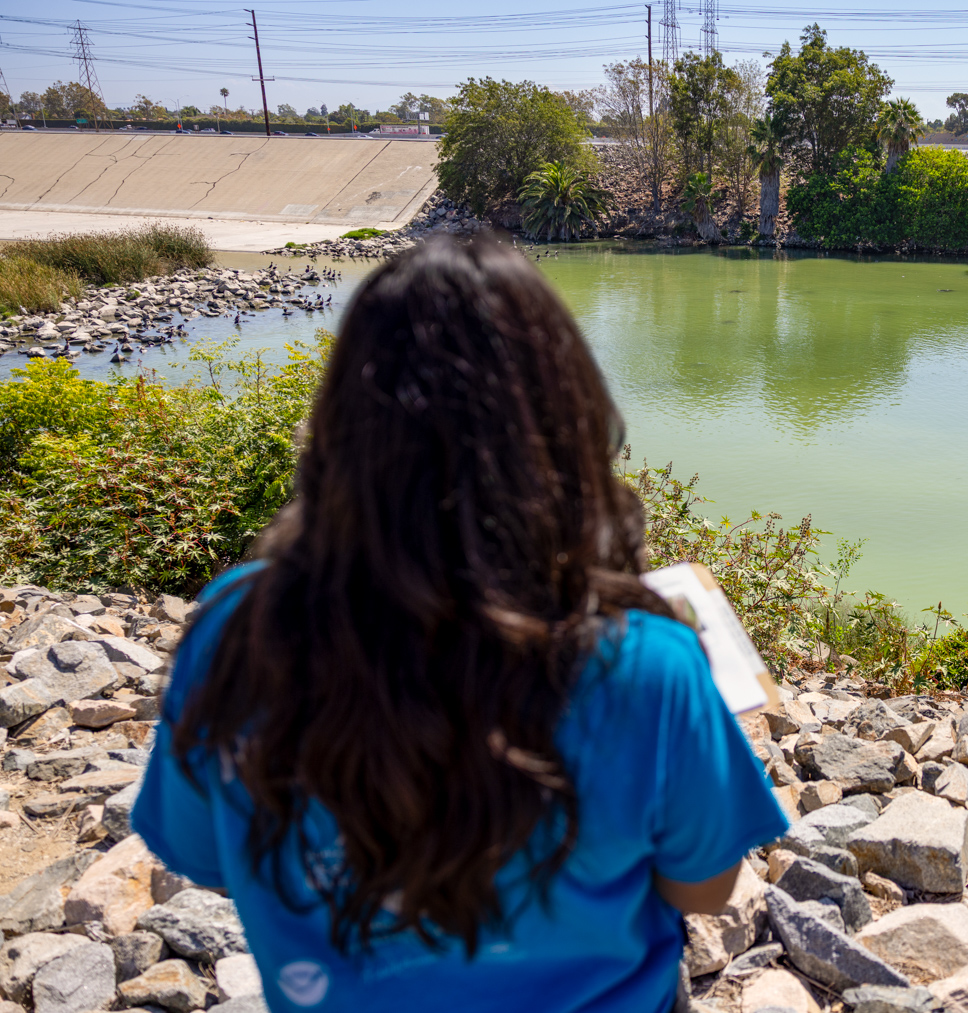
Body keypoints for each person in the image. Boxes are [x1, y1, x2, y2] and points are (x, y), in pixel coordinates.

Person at [133, 234, 789, 1012]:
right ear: (564, 426)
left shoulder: (236, 628)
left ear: (346, 424)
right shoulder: (645, 663)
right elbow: (704, 887)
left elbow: (205, 858)